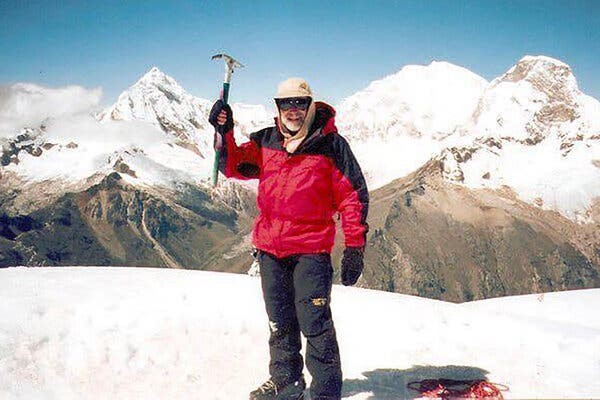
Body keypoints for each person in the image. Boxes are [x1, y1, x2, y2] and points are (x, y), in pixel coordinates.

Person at [209, 77, 369, 400]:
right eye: (286, 104)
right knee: (279, 321)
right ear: (278, 107)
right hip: (270, 249)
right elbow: (235, 165)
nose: (293, 110)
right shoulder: (267, 141)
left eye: (299, 103)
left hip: (311, 251)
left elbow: (353, 196)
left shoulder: (332, 146)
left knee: (315, 323)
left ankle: (325, 392)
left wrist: (355, 246)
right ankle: (287, 381)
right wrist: (225, 132)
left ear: (310, 106)